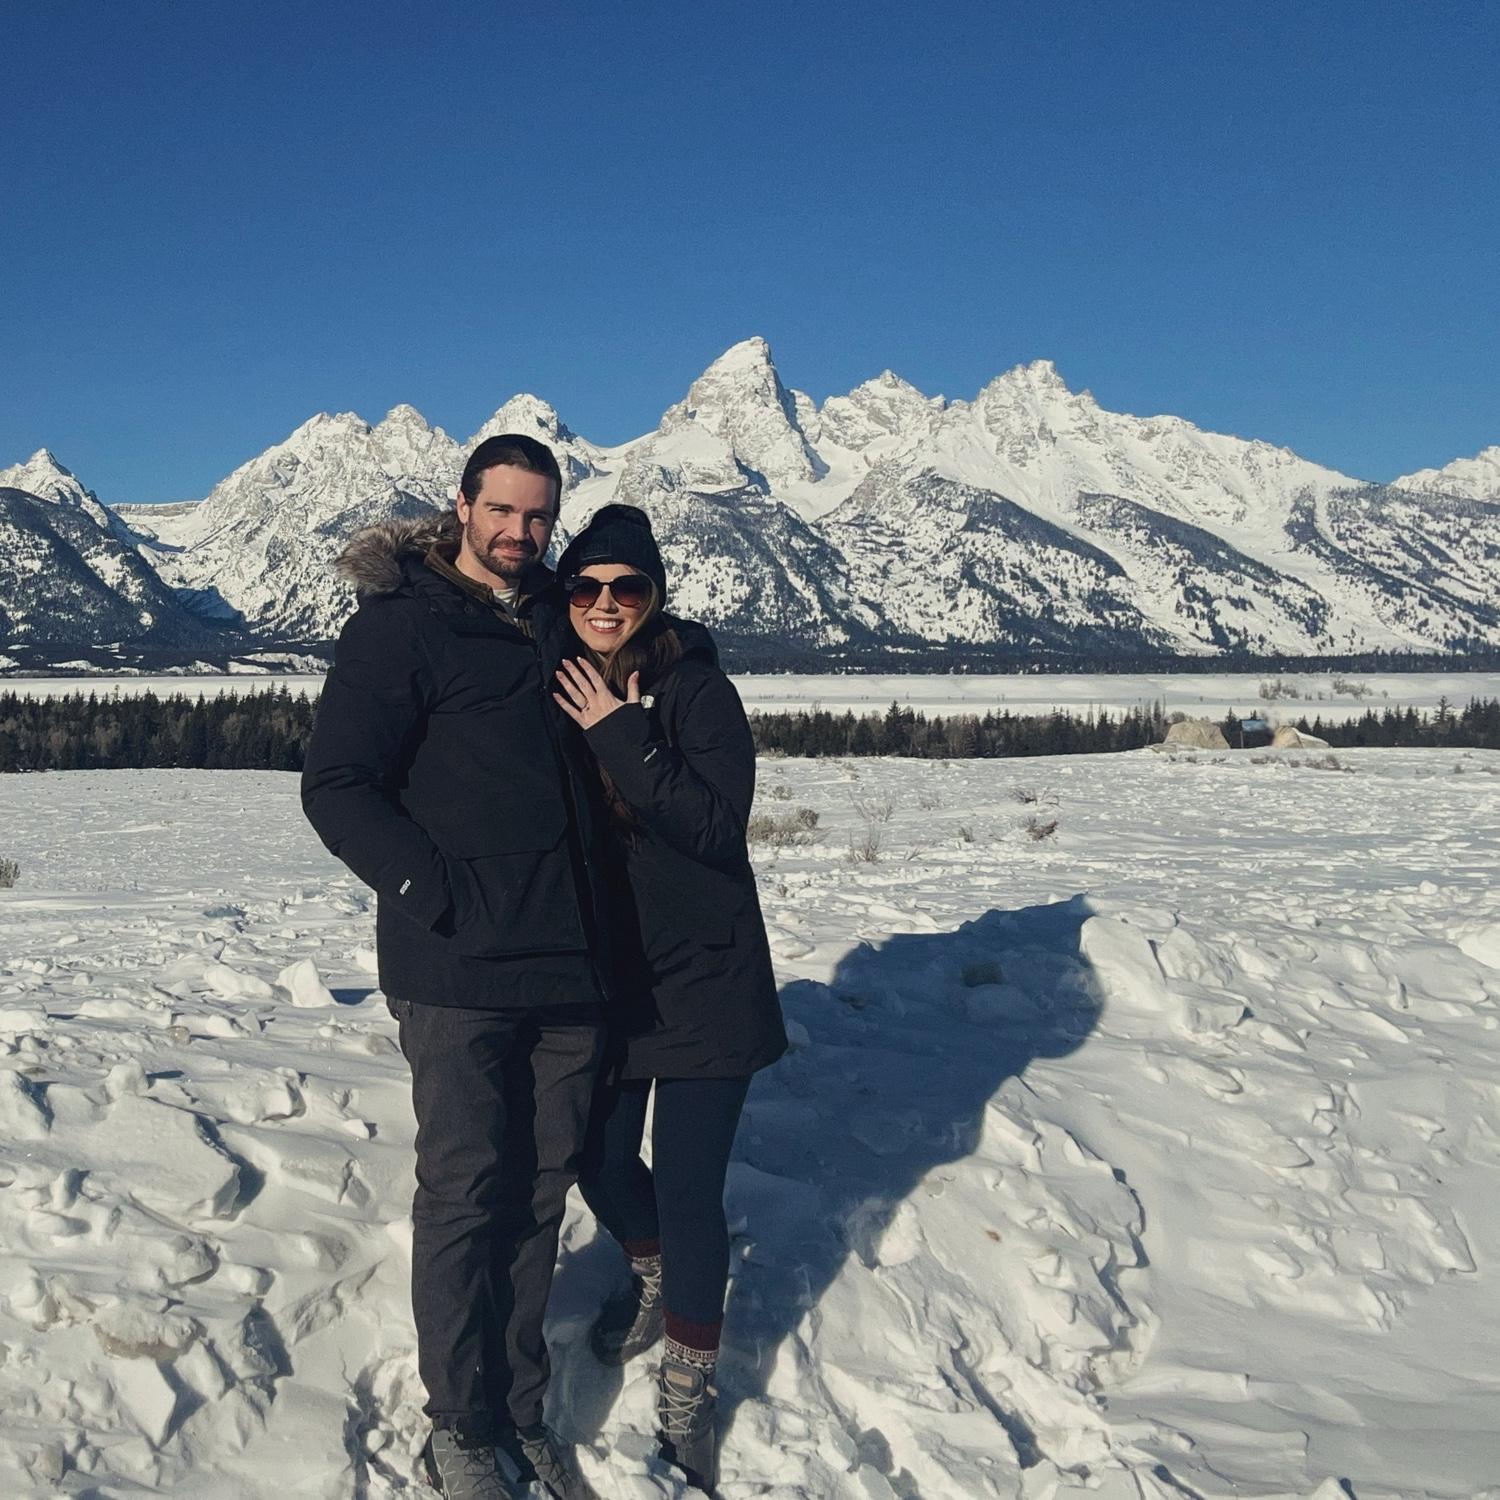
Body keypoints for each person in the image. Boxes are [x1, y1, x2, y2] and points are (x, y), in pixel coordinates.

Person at [301, 434, 606, 1500]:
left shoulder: (560, 613)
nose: (521, 532)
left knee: (540, 1191)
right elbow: (337, 786)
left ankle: (520, 1409)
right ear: (462, 506)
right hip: (456, 966)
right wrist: (436, 895)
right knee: (466, 1192)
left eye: (539, 515)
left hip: (568, 962)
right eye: (503, 511)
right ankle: (459, 1425)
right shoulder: (400, 626)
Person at [549, 504, 788, 1494]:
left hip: (706, 981)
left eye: (627, 586)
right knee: (598, 1156)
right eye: (587, 585)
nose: (606, 603)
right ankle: (648, 1265)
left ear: (654, 598)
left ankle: (690, 1381)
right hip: (612, 980)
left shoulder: (696, 691)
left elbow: (715, 828)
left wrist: (622, 736)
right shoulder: (562, 683)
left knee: (690, 1191)